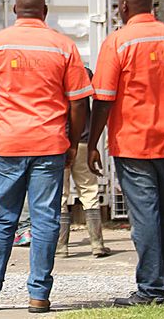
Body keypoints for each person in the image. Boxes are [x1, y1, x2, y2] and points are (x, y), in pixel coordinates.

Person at [0, 0, 93, 314]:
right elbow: (79, 99)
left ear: (14, 10)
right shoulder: (63, 46)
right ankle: (38, 296)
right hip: (50, 144)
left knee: (3, 220)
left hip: (9, 144)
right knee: (45, 221)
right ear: (45, 11)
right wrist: (74, 140)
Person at [87, 0, 164, 306]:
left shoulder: (118, 43)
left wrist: (92, 143)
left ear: (123, 6)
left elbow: (103, 99)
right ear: (153, 6)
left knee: (145, 218)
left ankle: (150, 290)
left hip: (135, 144)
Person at [56, 75, 111, 259]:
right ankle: (97, 244)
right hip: (83, 142)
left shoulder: (54, 76)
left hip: (60, 142)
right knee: (89, 192)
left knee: (60, 196)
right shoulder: (86, 74)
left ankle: (61, 246)